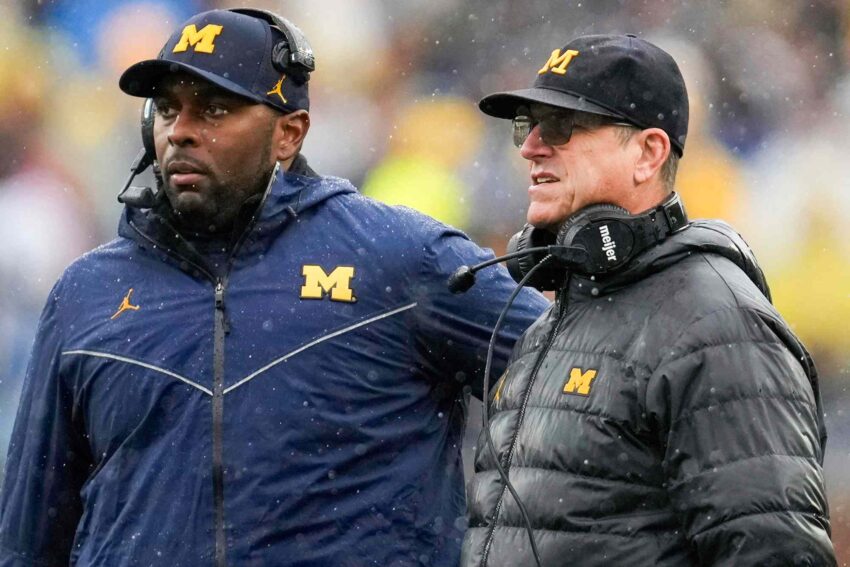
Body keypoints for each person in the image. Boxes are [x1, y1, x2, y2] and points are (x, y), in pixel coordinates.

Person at [0, 9, 548, 567]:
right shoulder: (87, 292)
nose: (180, 130)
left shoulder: (400, 259)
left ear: (289, 133)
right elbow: (27, 539)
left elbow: (576, 388)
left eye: (214, 109)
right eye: (166, 108)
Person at [461, 34, 836, 566]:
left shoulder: (718, 327)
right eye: (529, 125)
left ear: (648, 153)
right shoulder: (563, 314)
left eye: (561, 126)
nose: (530, 147)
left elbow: (775, 554)